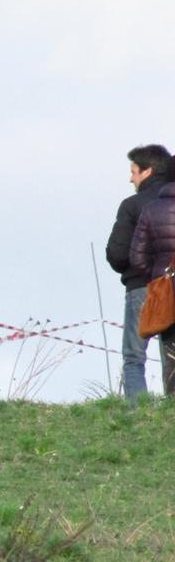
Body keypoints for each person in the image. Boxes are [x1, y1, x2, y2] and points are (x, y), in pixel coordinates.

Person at [106, 144, 174, 400]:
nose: (130, 178)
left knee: (134, 356)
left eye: (133, 171)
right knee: (172, 351)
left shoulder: (133, 205)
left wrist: (142, 273)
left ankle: (138, 411)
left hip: (141, 287)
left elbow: (118, 253)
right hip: (172, 283)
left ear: (147, 171)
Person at [130, 166, 175, 394]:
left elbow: (137, 257)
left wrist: (156, 277)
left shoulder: (151, 209)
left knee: (170, 349)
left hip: (166, 285)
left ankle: (171, 403)